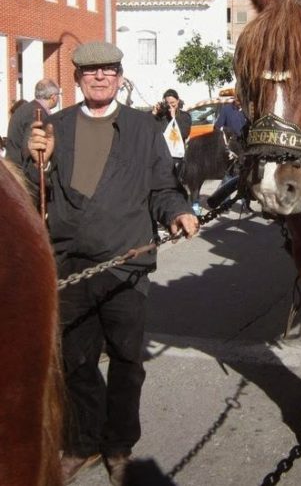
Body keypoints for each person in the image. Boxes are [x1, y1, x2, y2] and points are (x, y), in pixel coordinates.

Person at [25, 41, 198, 486]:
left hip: (125, 266)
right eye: (90, 72)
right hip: (72, 265)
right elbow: (33, 190)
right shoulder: (56, 125)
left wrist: (177, 212)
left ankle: (119, 444)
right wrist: (35, 160)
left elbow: (163, 187)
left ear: (120, 77)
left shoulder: (143, 128)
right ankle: (82, 442)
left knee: (126, 361)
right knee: (76, 363)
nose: (100, 77)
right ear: (78, 79)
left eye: (109, 70)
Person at [5, 79, 60, 166]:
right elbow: (28, 149)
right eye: (58, 95)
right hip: (21, 173)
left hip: (13, 167)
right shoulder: (37, 114)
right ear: (53, 97)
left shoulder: (24, 109)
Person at [152, 88, 192, 179]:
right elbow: (148, 128)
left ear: (178, 101)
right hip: (160, 156)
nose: (170, 106)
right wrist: (153, 114)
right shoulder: (161, 116)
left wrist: (174, 118)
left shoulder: (184, 116)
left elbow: (183, 134)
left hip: (176, 157)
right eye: (167, 104)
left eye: (173, 103)